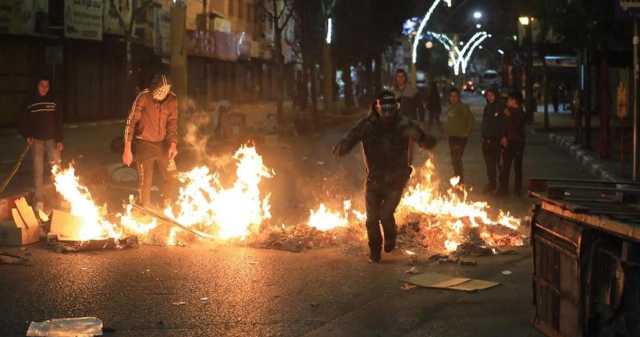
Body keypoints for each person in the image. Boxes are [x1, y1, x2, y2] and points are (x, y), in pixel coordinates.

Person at [332, 90, 437, 263]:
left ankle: (390, 237)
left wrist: (426, 141)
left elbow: (422, 138)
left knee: (386, 214)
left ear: (395, 107)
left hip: (396, 180)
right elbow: (351, 137)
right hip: (374, 179)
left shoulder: (404, 124)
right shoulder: (367, 125)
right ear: (377, 107)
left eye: (391, 107)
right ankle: (375, 250)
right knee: (372, 219)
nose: (387, 112)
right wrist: (342, 147)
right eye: (384, 107)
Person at [122, 73, 179, 208]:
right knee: (145, 181)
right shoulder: (144, 97)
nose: (162, 93)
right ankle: (144, 209)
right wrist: (127, 149)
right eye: (160, 90)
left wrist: (173, 144)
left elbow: (173, 123)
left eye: (166, 90)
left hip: (163, 144)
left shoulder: (172, 100)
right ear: (154, 88)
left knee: (172, 176)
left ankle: (166, 205)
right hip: (144, 144)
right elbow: (131, 122)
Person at [19, 77, 63, 212]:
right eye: (42, 85)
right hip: (37, 140)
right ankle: (39, 200)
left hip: (51, 140)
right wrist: (27, 135)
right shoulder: (30, 101)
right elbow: (22, 119)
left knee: (57, 169)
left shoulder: (53, 100)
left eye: (47, 86)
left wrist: (60, 139)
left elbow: (58, 120)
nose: (44, 88)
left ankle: (60, 198)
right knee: (38, 171)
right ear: (37, 86)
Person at [498, 92, 527, 196]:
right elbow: (504, 126)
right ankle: (503, 189)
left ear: (514, 101)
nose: (507, 101)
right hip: (508, 142)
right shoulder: (508, 111)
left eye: (509, 99)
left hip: (517, 142)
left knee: (517, 167)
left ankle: (517, 189)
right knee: (505, 166)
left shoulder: (520, 112)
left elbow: (516, 126)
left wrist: (509, 116)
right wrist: (503, 137)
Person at [444, 88, 473, 184]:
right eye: (451, 96)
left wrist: (467, 132)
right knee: (454, 159)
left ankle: (460, 181)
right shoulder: (450, 107)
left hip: (460, 137)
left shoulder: (463, 107)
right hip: (452, 137)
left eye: (455, 96)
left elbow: (470, 120)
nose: (453, 98)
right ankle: (457, 178)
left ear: (458, 97)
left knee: (457, 159)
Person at [480, 88, 505, 194]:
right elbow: (485, 122)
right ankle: (492, 184)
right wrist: (483, 135)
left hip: (497, 140)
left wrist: (503, 136)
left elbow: (504, 123)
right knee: (489, 165)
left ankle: (502, 186)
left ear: (496, 96)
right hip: (487, 140)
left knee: (499, 165)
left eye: (491, 95)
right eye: (488, 95)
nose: (489, 97)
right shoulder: (487, 107)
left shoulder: (500, 107)